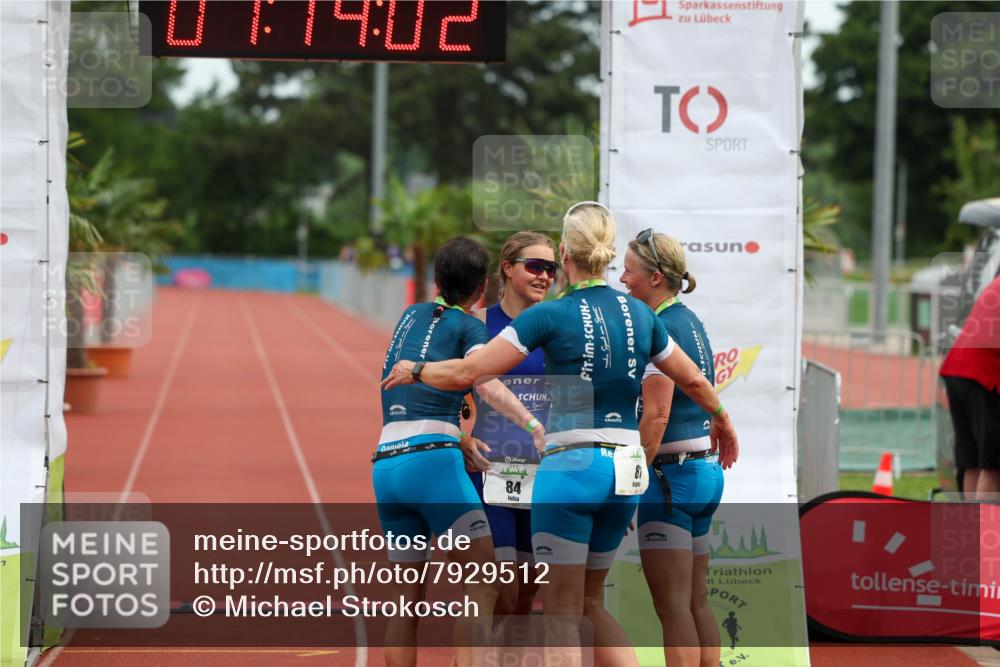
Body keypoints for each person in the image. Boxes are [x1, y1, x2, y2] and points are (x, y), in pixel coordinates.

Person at [383, 204, 739, 667]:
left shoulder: (548, 315)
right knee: (593, 604)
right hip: (626, 469)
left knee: (562, 616)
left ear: (566, 253)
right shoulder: (642, 315)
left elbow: (471, 372)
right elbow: (692, 380)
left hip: (572, 467)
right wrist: (723, 418)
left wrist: (418, 368)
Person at [373, 236, 545, 667]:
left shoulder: (409, 316)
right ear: (481, 289)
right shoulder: (471, 326)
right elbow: (484, 380)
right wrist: (531, 424)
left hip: (386, 463)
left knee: (405, 602)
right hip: (432, 463)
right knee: (485, 584)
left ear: (434, 281)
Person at [619, 230, 726, 667]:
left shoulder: (660, 326)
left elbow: (657, 416)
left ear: (656, 277)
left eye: (629, 271)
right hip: (700, 473)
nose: (623, 280)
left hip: (670, 479)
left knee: (673, 608)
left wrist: (630, 483)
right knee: (697, 602)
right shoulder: (690, 318)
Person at [460, 231, 557, 628]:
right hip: (490, 472)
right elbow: (443, 389)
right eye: (535, 266)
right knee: (501, 586)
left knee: (529, 588)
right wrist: (460, 437)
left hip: (543, 473)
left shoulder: (556, 328)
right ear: (507, 268)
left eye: (551, 269)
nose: (544, 277)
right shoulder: (478, 324)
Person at [940, 274, 1000, 499]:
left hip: (958, 371)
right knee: (991, 465)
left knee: (972, 462)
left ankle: (971, 528)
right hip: (984, 377)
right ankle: (987, 531)